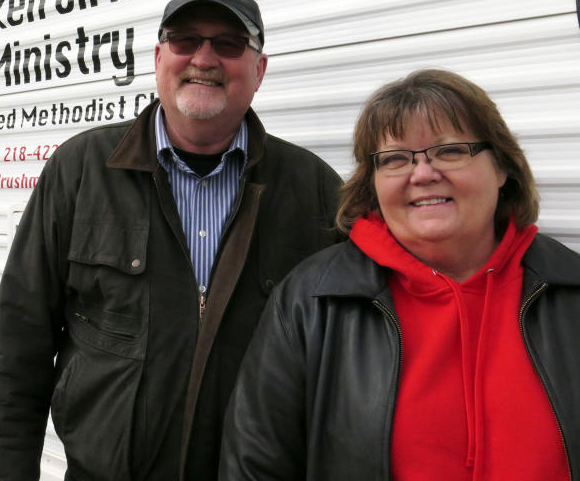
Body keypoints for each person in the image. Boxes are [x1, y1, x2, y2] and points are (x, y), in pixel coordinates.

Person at [0, 0, 343, 481]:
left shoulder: (314, 189)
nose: (204, 58)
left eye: (229, 45)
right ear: (158, 57)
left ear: (259, 70)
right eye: (185, 40)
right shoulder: (81, 170)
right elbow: (16, 352)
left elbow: (346, 366)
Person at [220, 69, 580, 480]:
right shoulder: (311, 300)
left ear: (502, 168)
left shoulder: (570, 290)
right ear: (372, 184)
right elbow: (255, 467)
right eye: (394, 159)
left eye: (449, 151)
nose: (423, 173)